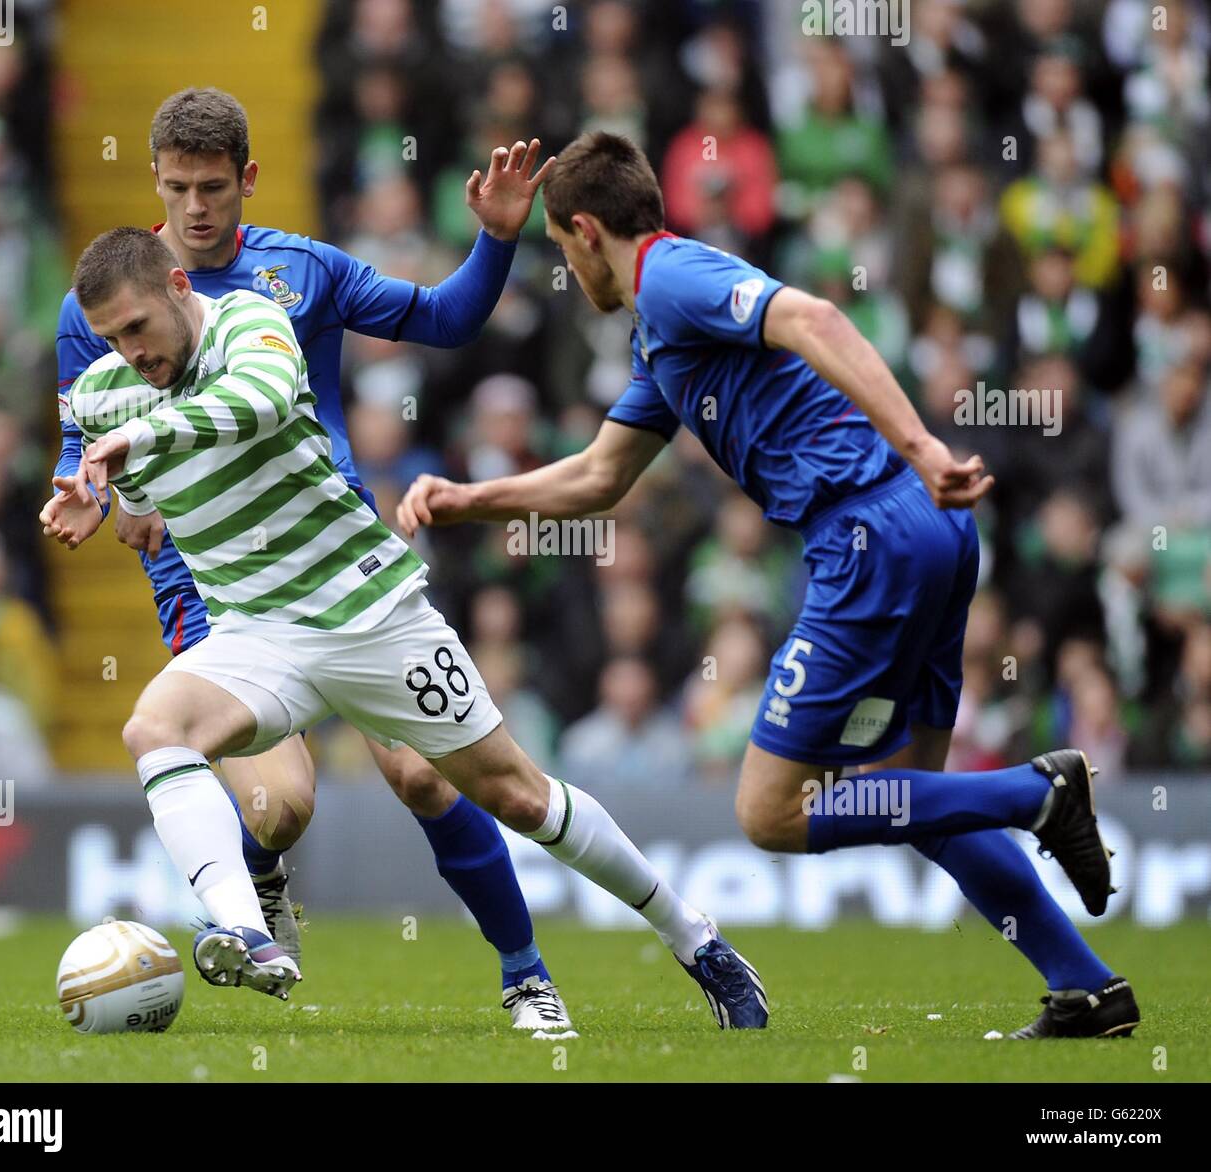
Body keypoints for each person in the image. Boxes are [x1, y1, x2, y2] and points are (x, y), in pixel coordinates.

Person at [398, 132, 1140, 1040]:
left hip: (869, 533)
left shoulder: (673, 279)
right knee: (910, 793)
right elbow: (598, 478)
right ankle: (1085, 988)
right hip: (927, 532)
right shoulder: (662, 338)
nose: (564, 263)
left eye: (558, 245)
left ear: (586, 231)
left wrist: (923, 446)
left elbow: (817, 318)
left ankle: (1035, 794)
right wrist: (467, 499)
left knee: (772, 811)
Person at [40, 226, 770, 1031]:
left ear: (180, 287)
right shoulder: (104, 393)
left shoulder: (250, 319)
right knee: (155, 727)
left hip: (370, 615)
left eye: (137, 327)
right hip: (257, 632)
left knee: (520, 798)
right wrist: (104, 502)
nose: (129, 351)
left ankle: (695, 937)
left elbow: (258, 403)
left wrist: (139, 439)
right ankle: (245, 928)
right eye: (110, 337)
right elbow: (136, 503)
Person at [45, 87, 569, 1031]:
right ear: (155, 186)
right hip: (211, 580)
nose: (195, 208)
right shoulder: (104, 301)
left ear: (245, 180)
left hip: (330, 558)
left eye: (212, 187)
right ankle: (262, 881)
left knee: (421, 776)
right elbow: (78, 438)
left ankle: (526, 975)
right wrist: (95, 494)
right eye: (176, 188)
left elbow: (447, 320)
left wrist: (495, 240)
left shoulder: (303, 271)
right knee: (282, 807)